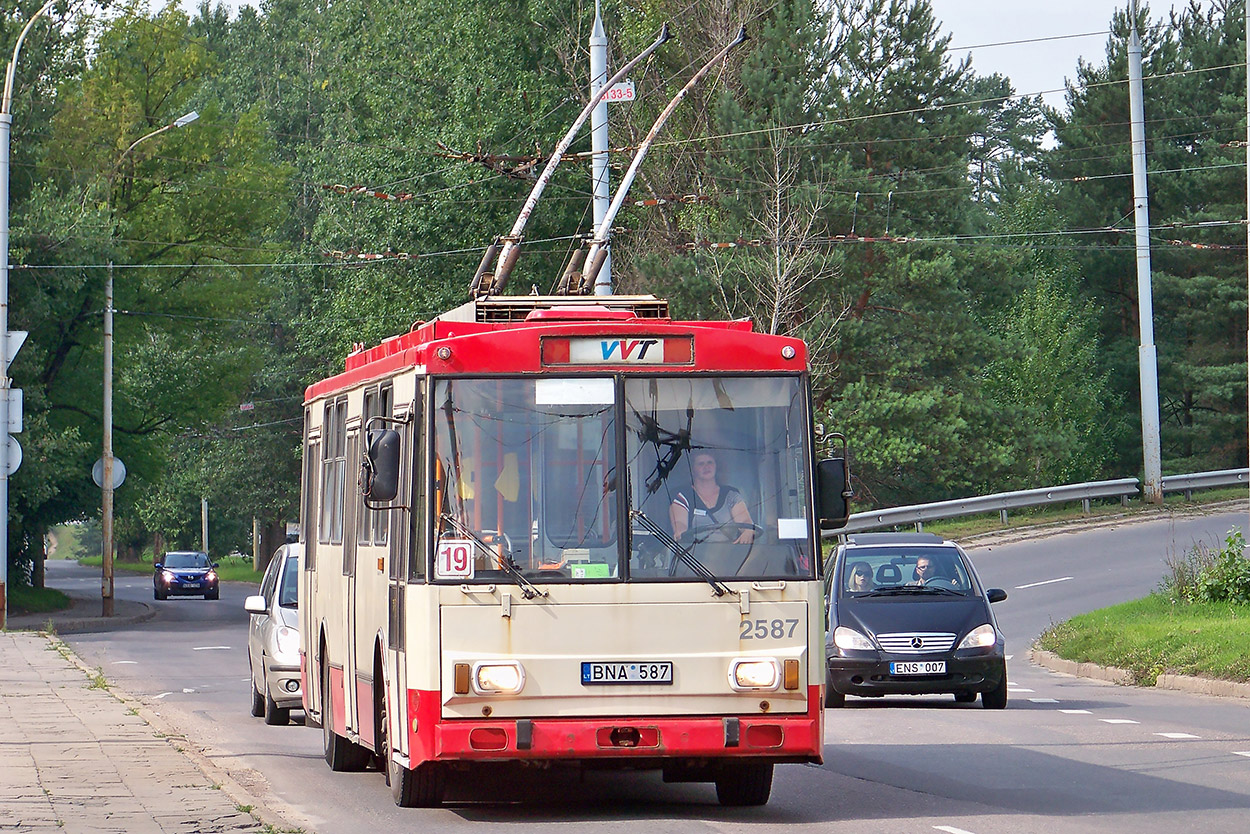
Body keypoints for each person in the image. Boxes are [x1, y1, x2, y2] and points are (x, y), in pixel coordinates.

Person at [669, 450, 755, 544]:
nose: (706, 467)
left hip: (731, 554)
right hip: (694, 555)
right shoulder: (683, 496)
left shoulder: (731, 495)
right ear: (692, 470)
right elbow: (680, 524)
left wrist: (748, 531)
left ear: (716, 466)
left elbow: (744, 521)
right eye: (701, 464)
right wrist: (680, 532)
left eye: (710, 462)